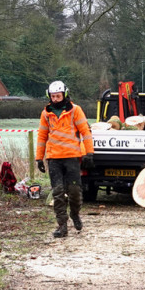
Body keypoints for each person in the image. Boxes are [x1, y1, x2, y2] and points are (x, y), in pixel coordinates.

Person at [35, 81, 94, 238]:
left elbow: (85, 132)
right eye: (52, 96)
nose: (55, 99)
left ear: (65, 95)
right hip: (54, 158)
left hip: (72, 157)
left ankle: (75, 214)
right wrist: (39, 158)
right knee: (58, 193)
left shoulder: (75, 110)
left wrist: (89, 153)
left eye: (58, 96)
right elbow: (42, 137)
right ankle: (62, 225)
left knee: (74, 192)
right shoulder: (46, 114)